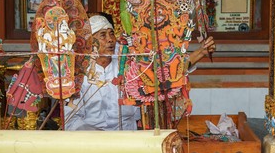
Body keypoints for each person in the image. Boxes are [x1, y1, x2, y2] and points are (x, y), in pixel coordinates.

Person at [64, 14, 216, 131]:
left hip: (128, 141)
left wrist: (200, 53)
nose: (110, 40)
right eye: (102, 35)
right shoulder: (79, 75)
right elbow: (71, 119)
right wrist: (93, 138)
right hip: (91, 144)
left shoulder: (130, 66)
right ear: (90, 42)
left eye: (111, 34)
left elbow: (166, 75)